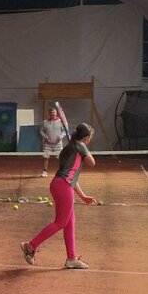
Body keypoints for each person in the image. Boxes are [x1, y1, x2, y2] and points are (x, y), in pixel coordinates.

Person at [21, 122, 97, 270]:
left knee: (70, 223)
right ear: (86, 137)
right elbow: (91, 162)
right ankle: (30, 246)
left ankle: (71, 258)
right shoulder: (79, 145)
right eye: (89, 138)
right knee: (61, 222)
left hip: (59, 184)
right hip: (63, 186)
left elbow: (72, 177)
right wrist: (84, 147)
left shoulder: (69, 149)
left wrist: (83, 196)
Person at [39, 106, 66, 177]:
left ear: (56, 113)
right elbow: (41, 131)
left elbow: (65, 131)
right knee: (45, 157)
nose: (52, 114)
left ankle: (62, 171)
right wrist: (45, 136)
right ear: (49, 113)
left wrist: (61, 136)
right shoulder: (45, 122)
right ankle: (44, 171)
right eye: (51, 112)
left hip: (58, 144)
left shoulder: (61, 121)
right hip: (47, 144)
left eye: (54, 112)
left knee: (60, 157)